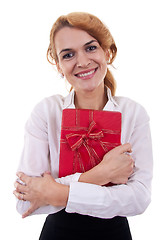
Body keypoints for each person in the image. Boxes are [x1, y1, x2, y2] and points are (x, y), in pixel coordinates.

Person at [13, 12, 153, 239]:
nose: (82, 61)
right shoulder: (47, 112)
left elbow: (139, 198)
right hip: (58, 233)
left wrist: (56, 193)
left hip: (114, 234)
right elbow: (25, 202)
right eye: (68, 55)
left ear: (107, 52)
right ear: (58, 65)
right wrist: (100, 174)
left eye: (90, 48)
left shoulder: (133, 114)